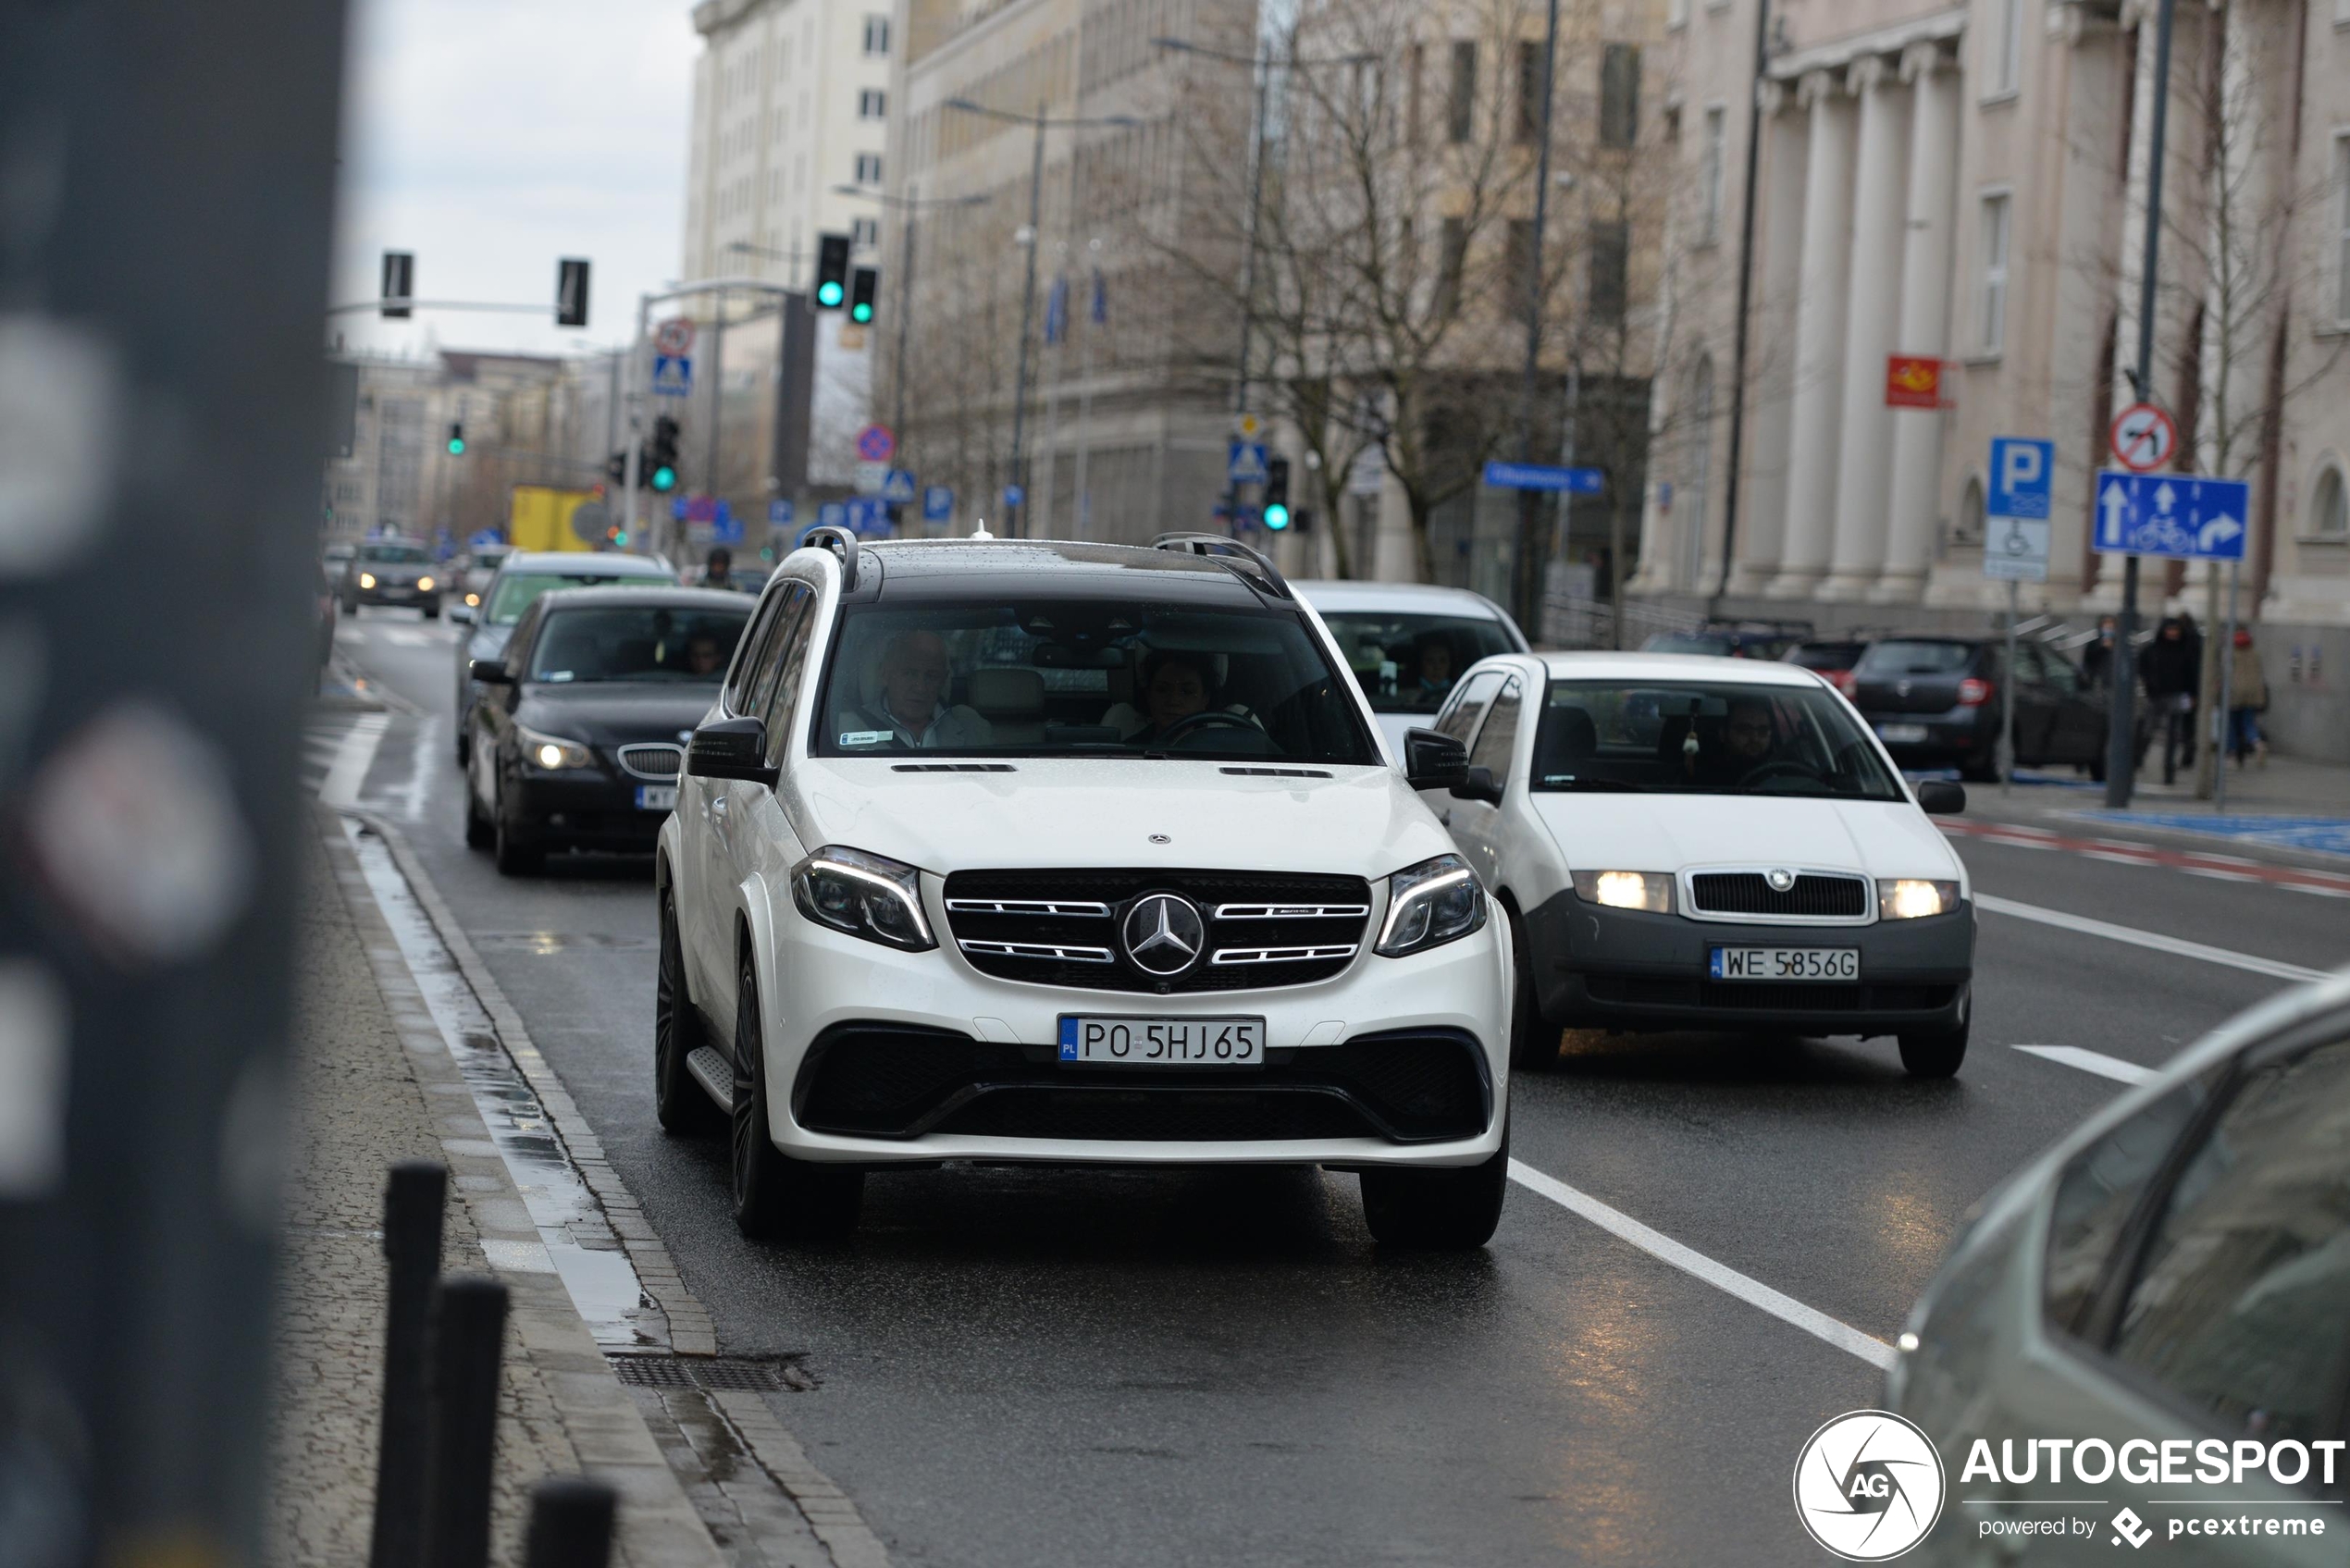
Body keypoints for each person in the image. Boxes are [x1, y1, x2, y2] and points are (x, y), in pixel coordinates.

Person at [838, 630, 993, 748]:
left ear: (943, 680)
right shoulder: (846, 728)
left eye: (931, 676)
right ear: (885, 674)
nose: (920, 687)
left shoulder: (971, 725)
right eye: (909, 674)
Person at [2141, 614, 2202, 776]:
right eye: (2170, 629)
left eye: (2175, 630)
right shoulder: (2152, 649)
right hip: (2156, 695)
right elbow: (2144, 668)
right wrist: (2149, 685)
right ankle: (2138, 758)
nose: (2173, 633)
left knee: (2174, 733)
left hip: (2177, 694)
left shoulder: (2185, 650)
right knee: (2148, 729)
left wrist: (2193, 694)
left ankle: (2169, 767)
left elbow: (2192, 674)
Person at [2228, 626, 2270, 767]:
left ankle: (2233, 753)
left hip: (2234, 693)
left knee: (2231, 724)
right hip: (2253, 693)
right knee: (2249, 723)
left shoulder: (2229, 653)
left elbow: (2224, 674)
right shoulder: (2255, 654)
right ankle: (2257, 743)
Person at [1411, 636, 1457, 705]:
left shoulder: (1459, 693)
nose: (1437, 667)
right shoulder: (1408, 693)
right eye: (1430, 661)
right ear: (1420, 664)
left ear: (1450, 664)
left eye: (1442, 661)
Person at [2082, 615, 2119, 687]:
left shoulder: (2120, 645)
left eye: (2111, 623)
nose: (2109, 626)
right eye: (2106, 623)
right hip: (2098, 684)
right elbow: (2088, 662)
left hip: (2115, 684)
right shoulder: (2093, 644)